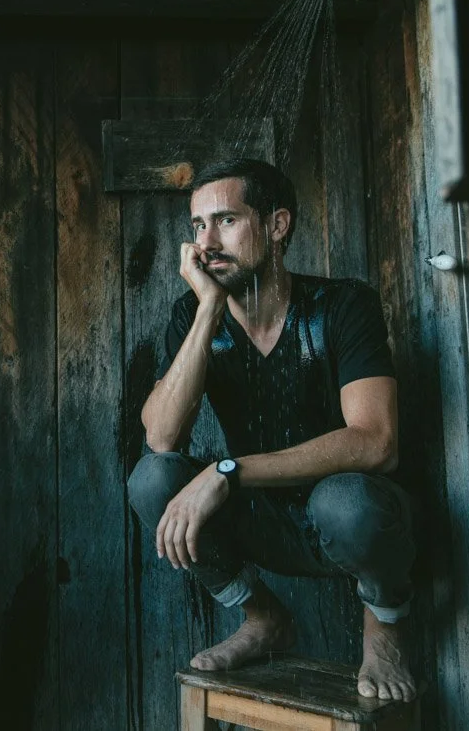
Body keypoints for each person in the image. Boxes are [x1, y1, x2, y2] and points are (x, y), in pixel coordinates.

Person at [128, 157, 416, 701]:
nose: (206, 242)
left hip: (351, 520)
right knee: (151, 479)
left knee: (347, 500)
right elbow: (162, 438)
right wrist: (208, 309)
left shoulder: (342, 306)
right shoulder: (191, 315)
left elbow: (377, 441)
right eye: (197, 226)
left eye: (226, 221)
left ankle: (386, 626)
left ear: (277, 225)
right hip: (263, 522)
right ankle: (262, 618)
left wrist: (227, 472)